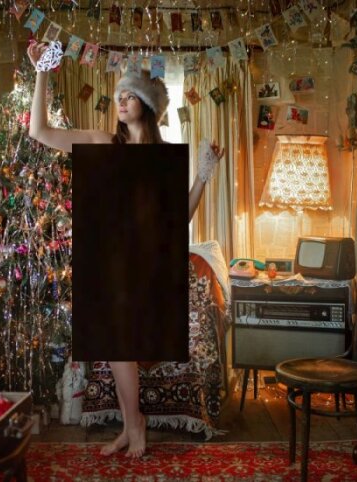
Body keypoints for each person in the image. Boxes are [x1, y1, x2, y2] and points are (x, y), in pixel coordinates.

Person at [26, 42, 224, 459]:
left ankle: (134, 426)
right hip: (107, 261)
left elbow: (178, 219)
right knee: (118, 350)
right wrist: (42, 70)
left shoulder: (161, 158)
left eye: (130, 95)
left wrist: (204, 175)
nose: (120, 101)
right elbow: (39, 132)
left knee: (122, 348)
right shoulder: (102, 142)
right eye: (119, 94)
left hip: (144, 264)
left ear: (147, 106)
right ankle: (132, 424)